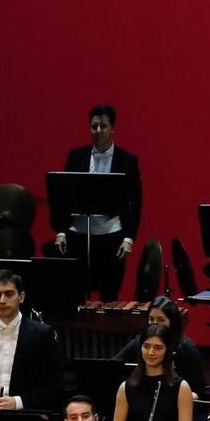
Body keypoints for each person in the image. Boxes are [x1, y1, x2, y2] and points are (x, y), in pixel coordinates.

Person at [52, 103, 142, 302]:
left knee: (109, 296)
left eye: (103, 126)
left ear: (113, 129)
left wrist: (129, 238)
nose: (98, 131)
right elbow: (62, 196)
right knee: (75, 295)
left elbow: (136, 202)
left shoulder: (128, 160)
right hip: (78, 237)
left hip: (111, 238)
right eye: (94, 126)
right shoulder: (75, 156)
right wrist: (60, 231)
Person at [0, 268, 67, 411]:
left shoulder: (43, 334)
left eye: (9, 294)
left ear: (21, 297)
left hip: (27, 416)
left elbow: (55, 385)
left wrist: (18, 402)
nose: (2, 300)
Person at [110, 324, 194, 421]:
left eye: (158, 348)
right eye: (146, 346)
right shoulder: (126, 386)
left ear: (168, 350)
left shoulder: (181, 387)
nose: (151, 352)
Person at [114, 295, 204, 384]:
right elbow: (114, 364)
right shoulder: (140, 341)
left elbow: (197, 390)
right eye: (151, 319)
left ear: (172, 322)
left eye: (161, 320)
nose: (155, 324)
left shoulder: (187, 349)